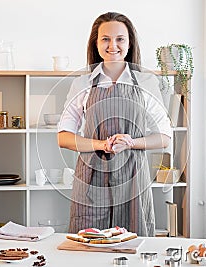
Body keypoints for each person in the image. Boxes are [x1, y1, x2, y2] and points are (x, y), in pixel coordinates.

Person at [57, 12, 171, 237]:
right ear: (96, 43)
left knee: (131, 245)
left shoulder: (146, 82)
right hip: (91, 179)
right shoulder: (82, 83)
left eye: (120, 39)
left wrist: (130, 143)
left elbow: (165, 136)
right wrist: (101, 144)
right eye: (105, 39)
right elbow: (64, 137)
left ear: (129, 44)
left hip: (133, 178)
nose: (113, 45)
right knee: (88, 245)